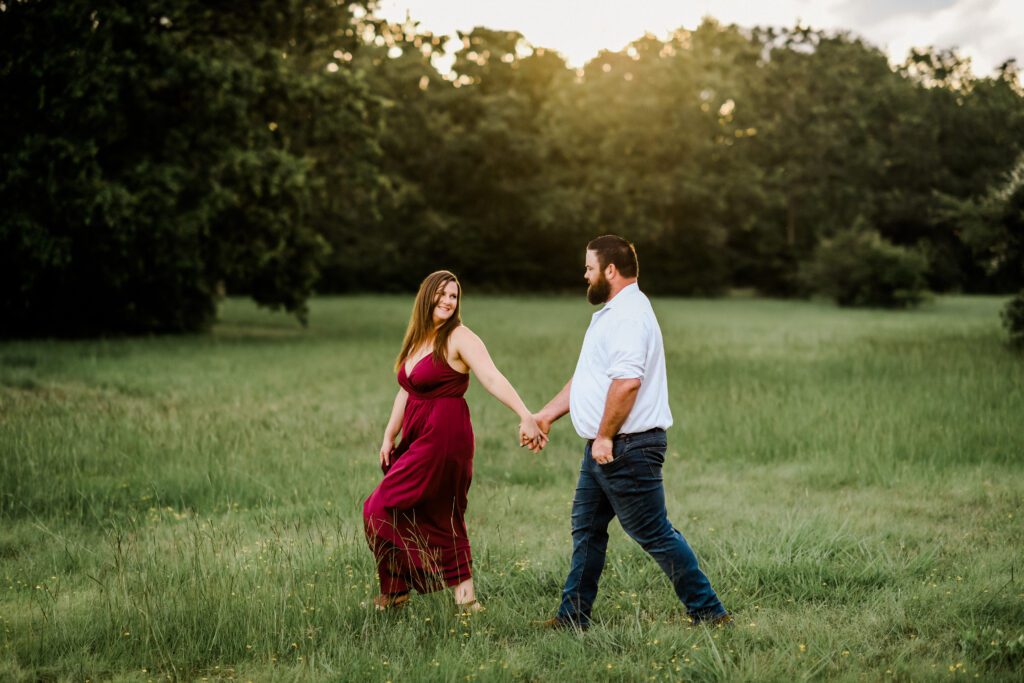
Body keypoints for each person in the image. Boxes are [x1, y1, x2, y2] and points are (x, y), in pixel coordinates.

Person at [522, 235, 730, 629]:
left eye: (589, 267)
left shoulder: (630, 316)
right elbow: (589, 379)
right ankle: (572, 617)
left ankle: (709, 613)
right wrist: (547, 415)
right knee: (587, 531)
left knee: (655, 533)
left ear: (610, 270)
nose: (585, 275)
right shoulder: (614, 313)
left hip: (626, 447)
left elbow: (627, 382)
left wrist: (604, 437)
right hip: (605, 448)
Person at [363, 270, 546, 612]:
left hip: (444, 436)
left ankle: (410, 589)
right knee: (424, 511)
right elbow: (406, 389)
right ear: (427, 296)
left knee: (382, 508)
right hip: (417, 434)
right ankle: (422, 595)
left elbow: (491, 376)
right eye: (443, 294)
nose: (448, 301)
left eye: (454, 296)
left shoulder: (460, 337)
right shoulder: (420, 338)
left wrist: (526, 415)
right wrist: (389, 435)